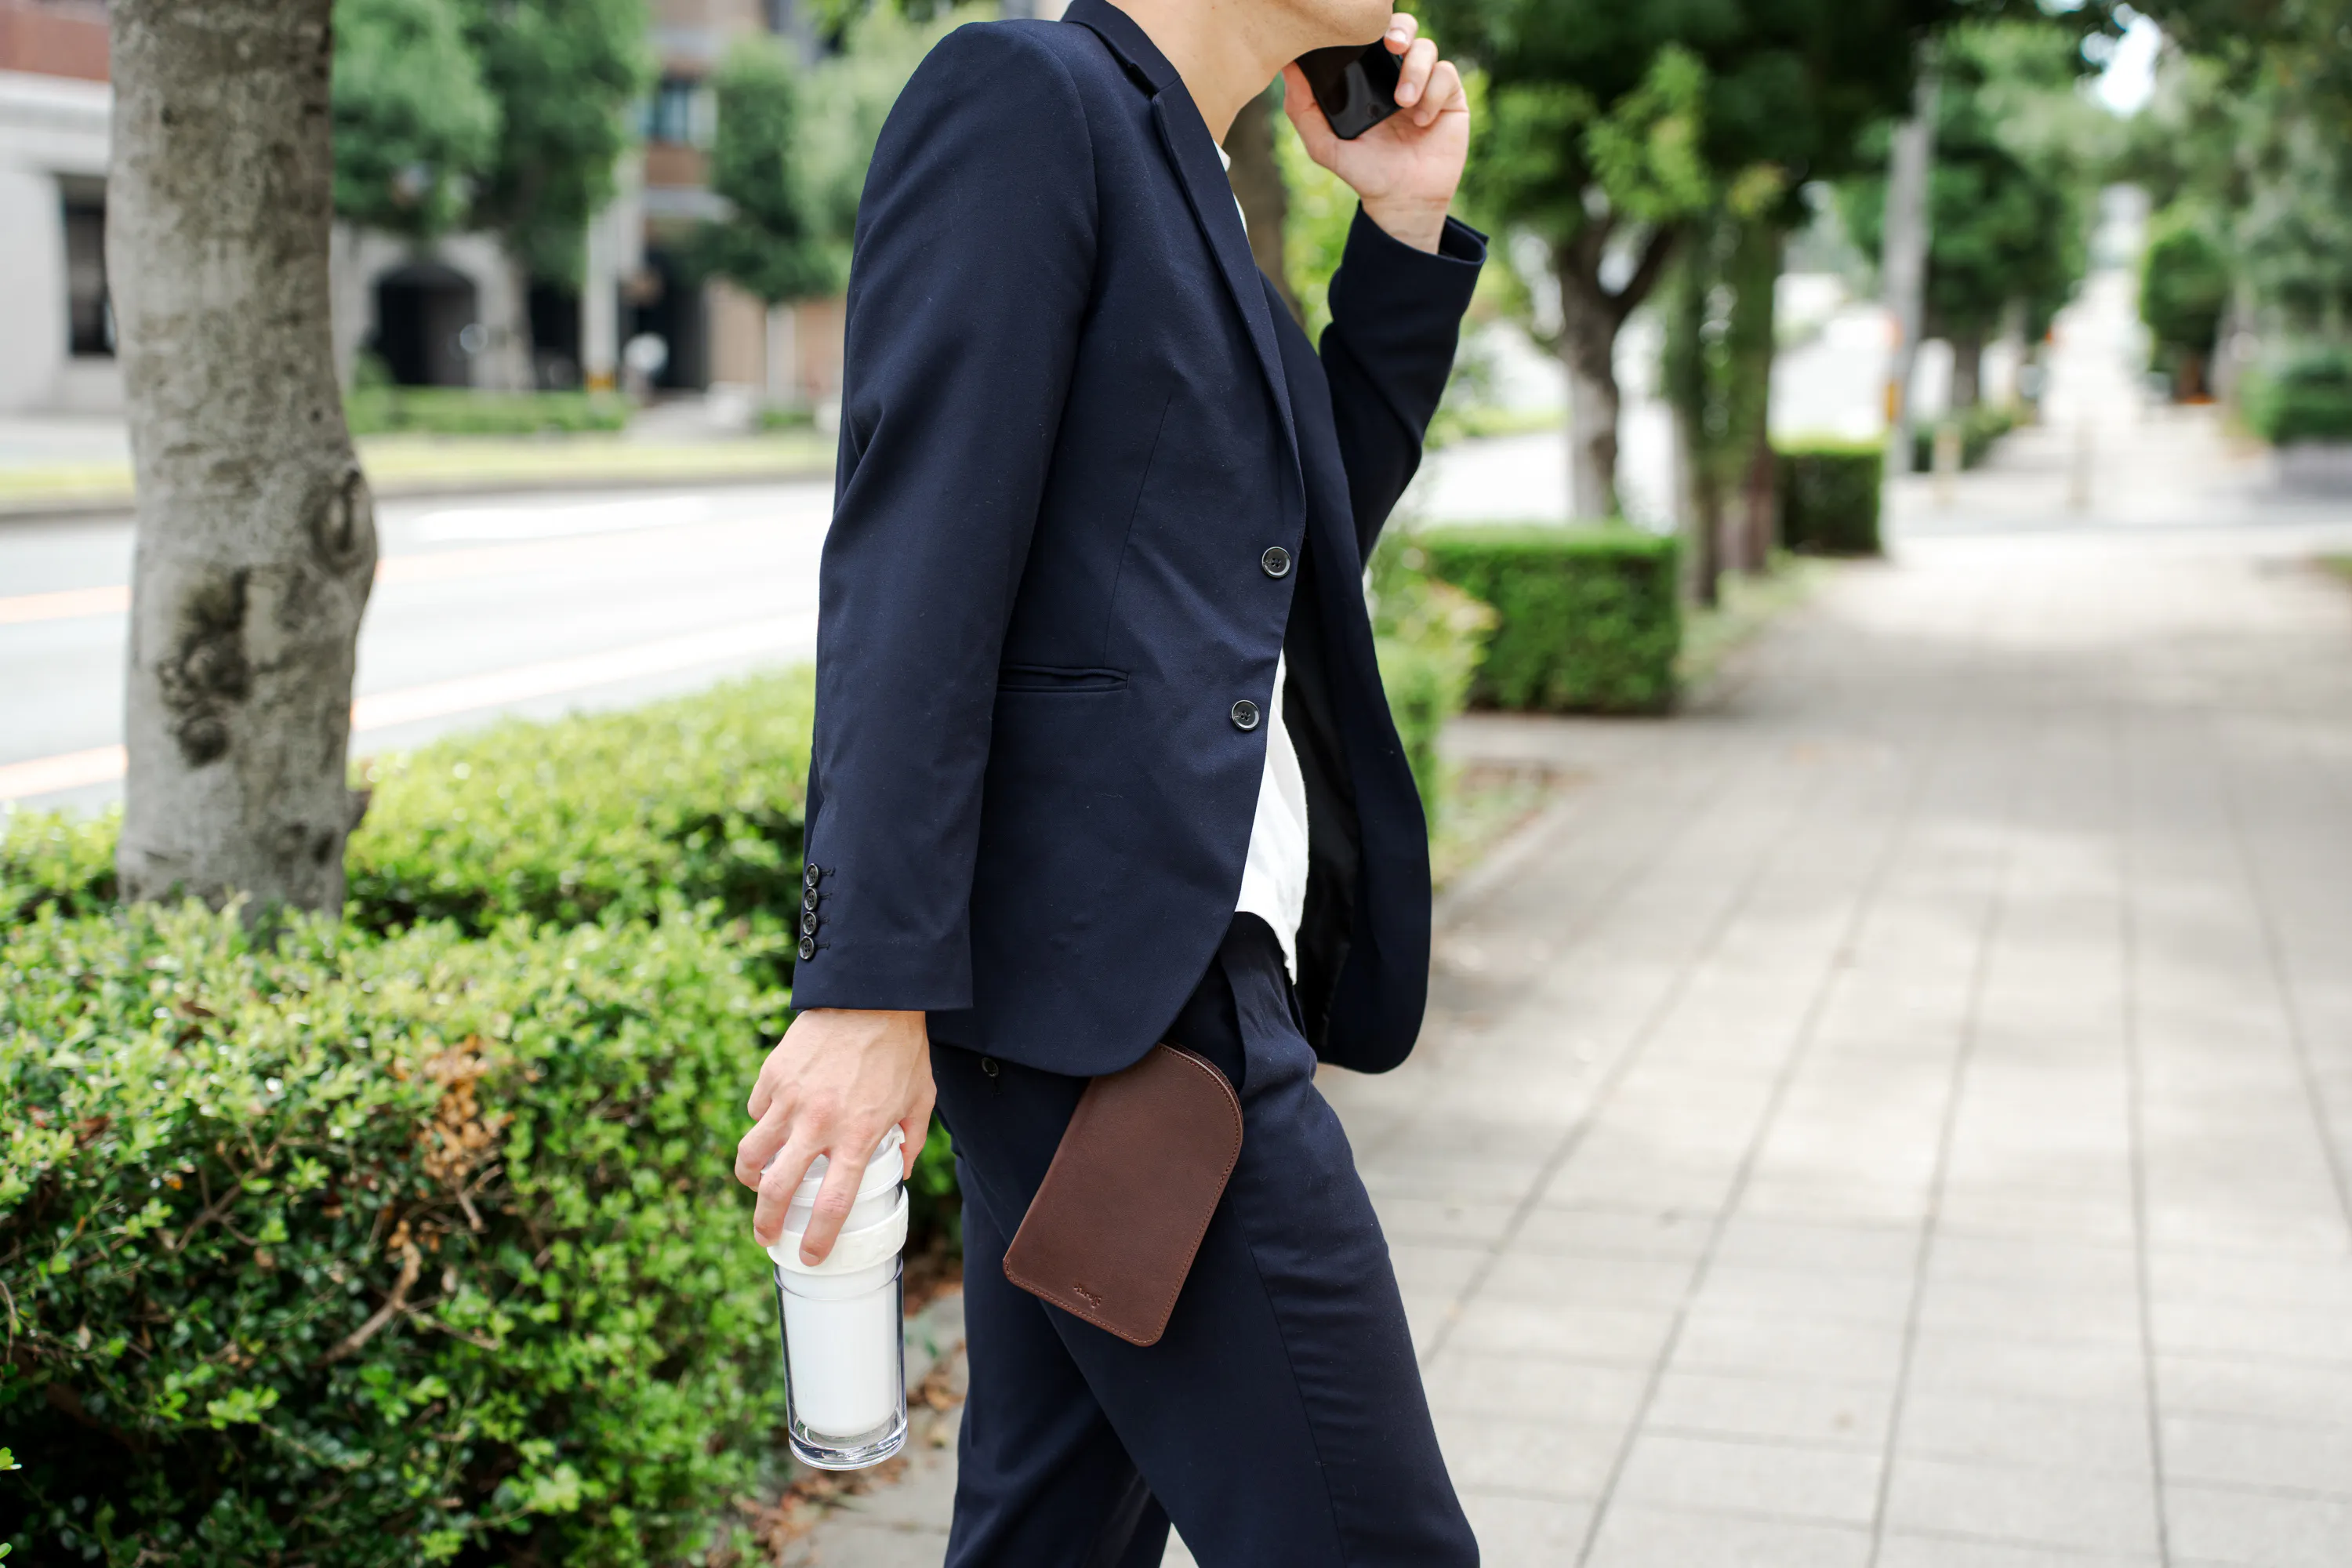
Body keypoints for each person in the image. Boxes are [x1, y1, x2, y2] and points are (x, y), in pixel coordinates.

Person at [734, 0, 1483, 1560]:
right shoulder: (1025, 100)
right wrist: (862, 989)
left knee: (1049, 1537)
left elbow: (1278, 563)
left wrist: (1404, 229)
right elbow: (914, 565)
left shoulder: (1181, 174)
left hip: (1131, 993)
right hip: (1139, 1011)